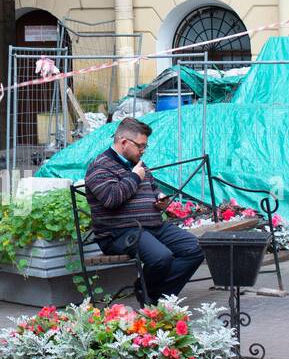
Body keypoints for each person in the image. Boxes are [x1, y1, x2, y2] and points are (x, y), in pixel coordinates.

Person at [83, 117, 205, 302]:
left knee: (194, 248)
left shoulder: (138, 165)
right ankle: (151, 298)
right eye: (140, 146)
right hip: (118, 233)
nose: (143, 151)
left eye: (144, 146)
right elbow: (111, 199)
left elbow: (153, 188)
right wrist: (134, 178)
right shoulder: (99, 167)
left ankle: (155, 297)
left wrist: (159, 199)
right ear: (124, 142)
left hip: (153, 227)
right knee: (161, 257)